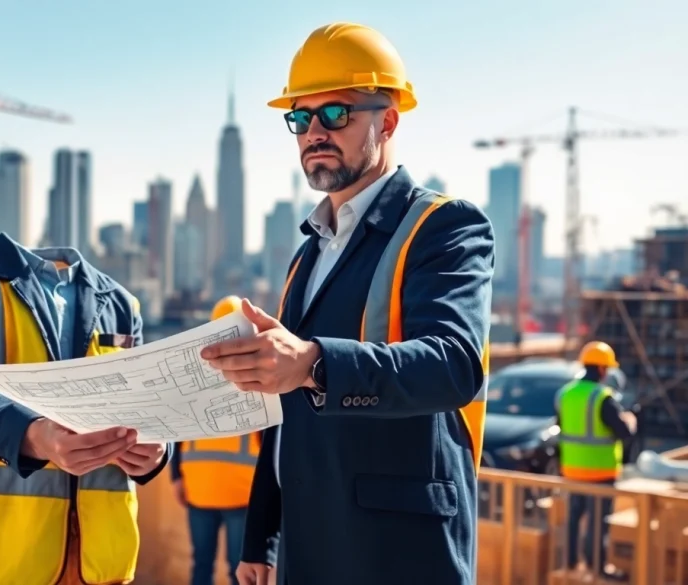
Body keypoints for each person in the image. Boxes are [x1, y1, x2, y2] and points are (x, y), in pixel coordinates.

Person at [200, 22, 495, 585]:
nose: (314, 132)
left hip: (398, 553)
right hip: (308, 546)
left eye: (336, 113)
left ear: (388, 121)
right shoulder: (308, 252)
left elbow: (454, 365)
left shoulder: (444, 227)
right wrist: (261, 536)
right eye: (301, 118)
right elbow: (283, 406)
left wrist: (313, 362)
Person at [0, 233, 173, 585]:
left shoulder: (121, 303)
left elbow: (144, 404)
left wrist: (157, 451)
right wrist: (36, 437)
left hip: (100, 563)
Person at [170, 296, 263, 585]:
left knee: (206, 566)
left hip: (209, 489)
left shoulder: (194, 378)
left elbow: (179, 429)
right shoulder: (259, 377)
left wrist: (176, 477)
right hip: (236, 492)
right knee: (238, 570)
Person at [556, 340, 636, 577]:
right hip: (600, 473)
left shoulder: (566, 394)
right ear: (602, 369)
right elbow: (624, 432)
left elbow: (562, 428)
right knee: (598, 522)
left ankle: (570, 562)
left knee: (573, 518)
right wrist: (630, 420)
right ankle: (597, 568)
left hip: (572, 470)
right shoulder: (603, 397)